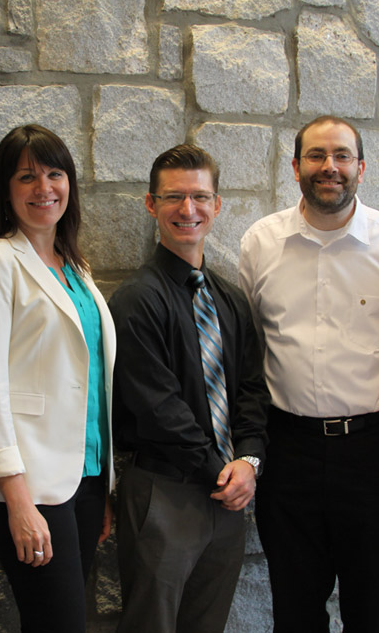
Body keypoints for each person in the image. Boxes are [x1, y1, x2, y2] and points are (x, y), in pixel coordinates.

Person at [239, 114, 379, 632]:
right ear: (295, 166)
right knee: (295, 613)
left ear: (362, 167)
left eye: (342, 156)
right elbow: (250, 349)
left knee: (369, 614)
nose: (330, 167)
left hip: (375, 454)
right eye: (317, 156)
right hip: (288, 453)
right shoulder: (261, 242)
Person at [0, 124, 115, 632]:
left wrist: (103, 486)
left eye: (54, 173)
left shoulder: (76, 268)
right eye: (27, 177)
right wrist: (17, 500)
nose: (44, 188)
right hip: (29, 485)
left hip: (84, 478)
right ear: (5, 190)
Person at [109, 144, 270, 633]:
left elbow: (251, 389)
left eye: (200, 197)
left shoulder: (229, 299)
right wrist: (222, 471)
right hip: (165, 493)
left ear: (217, 205)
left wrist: (249, 461)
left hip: (227, 497)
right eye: (173, 197)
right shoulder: (137, 300)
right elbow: (159, 408)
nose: (188, 209)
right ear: (151, 204)